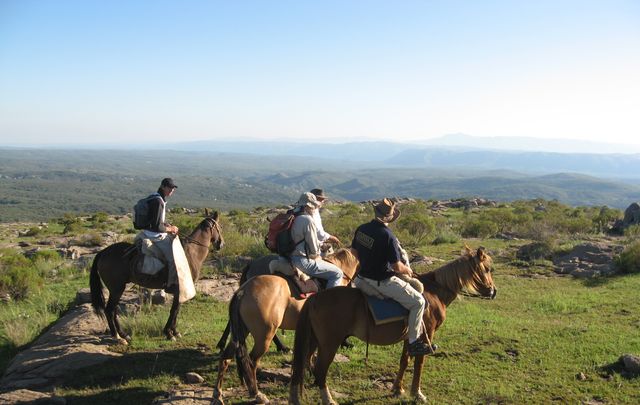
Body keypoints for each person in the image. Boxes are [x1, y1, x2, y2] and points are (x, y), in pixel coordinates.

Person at [351, 198, 431, 356]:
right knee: (419, 302)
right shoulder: (388, 236)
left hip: (361, 279)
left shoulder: (362, 229)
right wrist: (407, 269)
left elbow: (354, 253)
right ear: (390, 217)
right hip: (382, 281)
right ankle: (414, 343)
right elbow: (396, 266)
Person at [289, 192, 344, 288]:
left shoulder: (291, 214)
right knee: (337, 274)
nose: (314, 209)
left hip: (287, 257)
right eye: (313, 206)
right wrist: (321, 247)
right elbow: (314, 249)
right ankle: (328, 301)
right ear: (308, 206)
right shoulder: (307, 220)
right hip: (301, 261)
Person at [140, 177, 180, 293]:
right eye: (170, 188)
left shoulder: (155, 197)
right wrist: (171, 228)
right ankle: (170, 284)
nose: (171, 190)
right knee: (173, 258)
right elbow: (157, 227)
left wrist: (167, 225)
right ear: (163, 186)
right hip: (155, 236)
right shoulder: (158, 201)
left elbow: (156, 221)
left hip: (149, 231)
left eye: (173, 189)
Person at [309, 188, 341, 256]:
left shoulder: (312, 210)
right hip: (311, 249)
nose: (323, 201)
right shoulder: (312, 213)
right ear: (316, 199)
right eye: (321, 199)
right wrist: (333, 238)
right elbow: (319, 234)